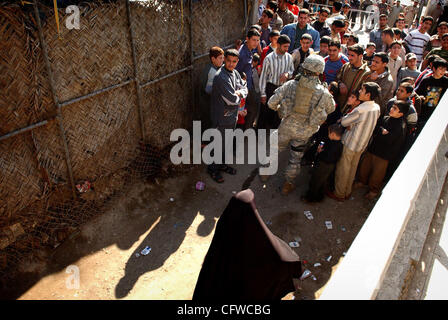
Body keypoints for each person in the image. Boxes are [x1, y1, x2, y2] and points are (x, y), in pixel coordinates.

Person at [259, 55, 335, 196]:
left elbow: (271, 103)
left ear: (304, 68)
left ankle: (265, 173)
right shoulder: (323, 92)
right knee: (295, 158)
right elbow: (331, 109)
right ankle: (287, 185)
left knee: (275, 149)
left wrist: (282, 109)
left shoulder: (290, 85)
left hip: (286, 126)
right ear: (319, 72)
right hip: (305, 132)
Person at [327, 82, 381, 201]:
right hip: (362, 144)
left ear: (368, 95)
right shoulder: (376, 107)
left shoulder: (361, 109)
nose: (360, 92)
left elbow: (345, 122)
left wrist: (346, 121)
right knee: (352, 168)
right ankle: (347, 191)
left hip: (351, 144)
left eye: (362, 90)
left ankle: (339, 193)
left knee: (343, 168)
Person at [355, 100, 409, 199]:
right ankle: (361, 182)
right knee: (364, 167)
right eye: (392, 107)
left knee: (377, 174)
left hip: (384, 155)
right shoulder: (386, 118)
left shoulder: (400, 126)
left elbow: (389, 140)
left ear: (401, 113)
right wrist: (381, 131)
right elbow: (375, 128)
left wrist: (382, 133)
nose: (391, 109)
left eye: (395, 109)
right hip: (373, 149)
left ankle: (373, 191)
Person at [209, 49, 248, 183]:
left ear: (237, 62)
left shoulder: (235, 73)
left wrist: (239, 92)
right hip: (221, 117)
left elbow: (244, 87)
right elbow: (232, 99)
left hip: (231, 116)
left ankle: (221, 165)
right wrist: (239, 93)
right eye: (229, 61)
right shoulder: (220, 77)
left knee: (227, 142)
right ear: (224, 59)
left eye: (234, 62)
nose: (231, 64)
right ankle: (213, 169)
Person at [258, 34, 295, 130]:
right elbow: (263, 77)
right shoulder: (269, 58)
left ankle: (273, 135)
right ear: (278, 45)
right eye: (285, 46)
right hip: (271, 88)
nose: (287, 49)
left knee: (279, 113)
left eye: (288, 46)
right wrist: (263, 94)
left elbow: (291, 71)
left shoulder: (289, 57)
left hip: (283, 89)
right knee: (265, 112)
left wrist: (287, 74)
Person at [303, 123, 344, 203]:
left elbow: (326, 156)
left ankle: (310, 199)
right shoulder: (340, 144)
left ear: (332, 134)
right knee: (322, 181)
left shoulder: (331, 146)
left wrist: (320, 152)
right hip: (331, 166)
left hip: (322, 165)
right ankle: (319, 197)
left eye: (328, 132)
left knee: (315, 181)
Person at [236, 30, 261, 130]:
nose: (256, 42)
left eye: (258, 40)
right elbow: (237, 72)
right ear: (247, 39)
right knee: (244, 113)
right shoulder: (242, 54)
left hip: (248, 87)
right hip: (242, 89)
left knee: (250, 110)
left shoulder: (249, 50)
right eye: (254, 40)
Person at [415, 58, 448, 128]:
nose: (443, 71)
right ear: (434, 68)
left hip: (438, 112)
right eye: (440, 69)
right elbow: (417, 93)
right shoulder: (426, 81)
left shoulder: (446, 82)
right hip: (424, 111)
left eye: (444, 69)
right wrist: (420, 97)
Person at [199, 46, 225, 132]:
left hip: (207, 102)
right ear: (213, 59)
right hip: (207, 102)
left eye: (223, 58)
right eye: (220, 58)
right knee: (208, 123)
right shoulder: (212, 72)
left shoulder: (212, 67)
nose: (222, 60)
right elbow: (208, 90)